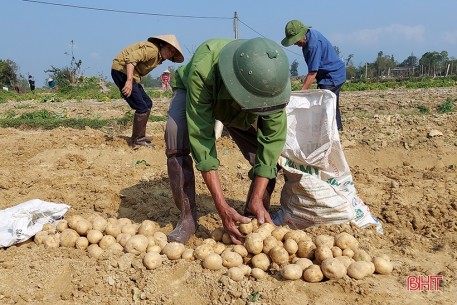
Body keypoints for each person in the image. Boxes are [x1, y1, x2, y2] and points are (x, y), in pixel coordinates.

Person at [164, 37, 291, 244]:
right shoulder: (204, 68)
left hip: (242, 107)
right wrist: (221, 205)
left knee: (268, 159)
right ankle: (187, 218)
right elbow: (202, 138)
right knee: (174, 134)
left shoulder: (271, 84)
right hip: (195, 92)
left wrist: (257, 197)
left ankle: (253, 209)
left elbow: (272, 141)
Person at [111, 34, 184, 148]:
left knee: (147, 103)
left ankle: (139, 136)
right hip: (122, 71)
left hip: (130, 75)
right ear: (162, 45)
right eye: (169, 48)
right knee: (141, 107)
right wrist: (129, 81)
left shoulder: (158, 57)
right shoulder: (152, 50)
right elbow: (130, 60)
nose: (170, 53)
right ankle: (138, 141)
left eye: (172, 52)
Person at [281, 20, 346, 131]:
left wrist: (300, 94)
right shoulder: (309, 37)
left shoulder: (313, 45)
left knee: (327, 105)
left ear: (302, 34)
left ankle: (332, 130)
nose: (295, 44)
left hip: (332, 76)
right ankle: (337, 129)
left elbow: (312, 73)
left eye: (296, 40)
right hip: (326, 76)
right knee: (330, 104)